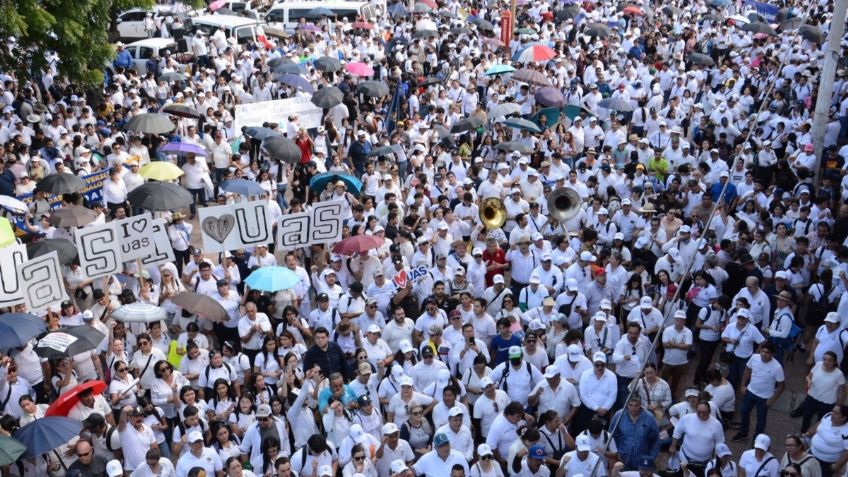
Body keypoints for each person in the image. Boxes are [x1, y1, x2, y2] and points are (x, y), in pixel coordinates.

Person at [733, 343, 786, 442]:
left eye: (767, 353)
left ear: (772, 354)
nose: (764, 354)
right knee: (744, 412)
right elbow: (747, 370)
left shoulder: (777, 367)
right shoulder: (754, 358)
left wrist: (772, 399)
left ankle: (757, 439)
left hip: (764, 398)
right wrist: (742, 385)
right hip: (750, 392)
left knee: (761, 420)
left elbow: (781, 386)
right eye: (762, 351)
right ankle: (743, 433)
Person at [610, 397, 659, 471]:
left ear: (640, 405)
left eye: (636, 405)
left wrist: (652, 457)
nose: (633, 408)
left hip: (642, 461)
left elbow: (656, 438)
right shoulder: (618, 415)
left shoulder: (649, 417)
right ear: (627, 405)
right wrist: (615, 452)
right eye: (631, 405)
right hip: (623, 459)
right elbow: (611, 435)